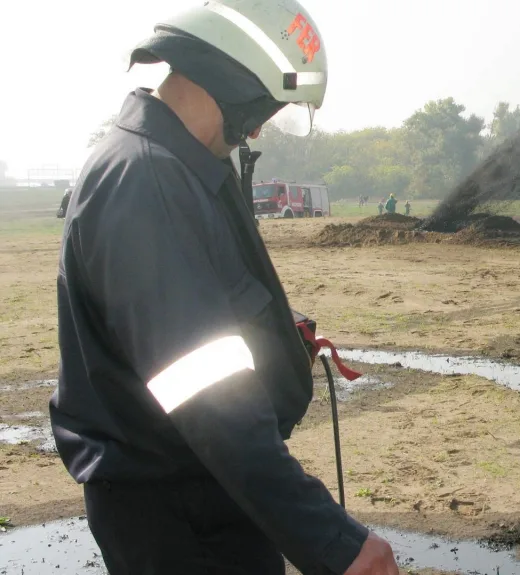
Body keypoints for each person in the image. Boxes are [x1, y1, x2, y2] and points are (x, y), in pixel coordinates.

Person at [50, 2, 399, 574]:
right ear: (234, 79)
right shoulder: (148, 180)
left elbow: (190, 321)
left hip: (200, 492)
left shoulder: (170, 167)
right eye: (262, 109)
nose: (258, 128)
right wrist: (334, 543)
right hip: (183, 515)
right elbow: (207, 395)